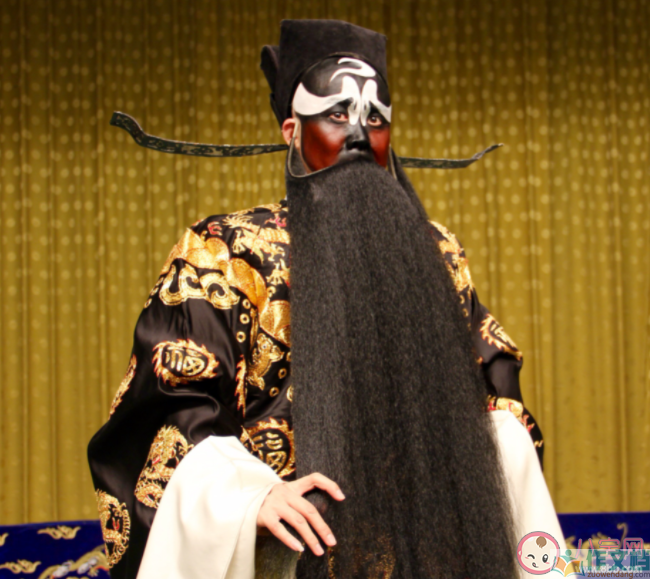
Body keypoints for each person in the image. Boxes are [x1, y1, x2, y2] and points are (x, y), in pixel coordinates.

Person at [88, 19, 562, 579]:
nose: (359, 133)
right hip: (288, 550)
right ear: (292, 130)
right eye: (337, 114)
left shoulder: (438, 255)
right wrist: (246, 497)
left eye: (375, 119)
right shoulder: (226, 252)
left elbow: (497, 398)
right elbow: (171, 404)